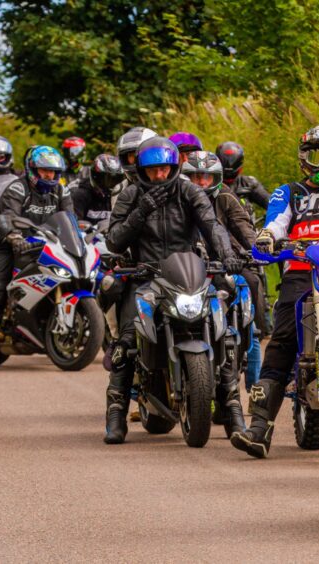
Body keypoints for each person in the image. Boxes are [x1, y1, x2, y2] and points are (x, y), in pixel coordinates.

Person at [230, 125, 319, 459]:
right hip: (302, 272)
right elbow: (276, 221)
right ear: (302, 158)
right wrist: (267, 237)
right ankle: (259, 428)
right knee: (282, 339)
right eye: (315, 156)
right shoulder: (288, 192)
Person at [102, 136, 242, 444]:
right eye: (152, 171)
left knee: (224, 331)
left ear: (173, 167)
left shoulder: (188, 191)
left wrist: (227, 255)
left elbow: (211, 224)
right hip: (146, 275)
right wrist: (141, 211)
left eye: (164, 169)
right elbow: (113, 240)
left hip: (189, 272)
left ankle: (233, 410)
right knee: (127, 340)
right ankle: (115, 415)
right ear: (141, 170)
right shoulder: (130, 195)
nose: (159, 176)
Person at [182, 150, 257, 432]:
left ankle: (245, 348)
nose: (201, 183)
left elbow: (242, 227)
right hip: (186, 270)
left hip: (222, 266)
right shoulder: (176, 199)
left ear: (217, 178)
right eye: (194, 177)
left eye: (207, 177)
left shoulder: (225, 197)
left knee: (248, 287)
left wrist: (256, 249)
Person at [0, 145, 74, 352]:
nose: (49, 175)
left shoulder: (61, 190)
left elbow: (70, 218)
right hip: (4, 244)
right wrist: (13, 235)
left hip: (43, 244)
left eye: (54, 171)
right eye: (44, 170)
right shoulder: (18, 188)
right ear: (32, 169)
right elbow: (7, 216)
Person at [215, 141, 271, 223]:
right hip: (216, 232)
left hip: (248, 232)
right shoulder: (208, 183)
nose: (229, 165)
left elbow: (272, 203)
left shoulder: (249, 183)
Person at [69, 153, 123, 225]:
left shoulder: (120, 197)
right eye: (107, 179)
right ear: (95, 176)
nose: (110, 185)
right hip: (87, 235)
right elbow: (74, 224)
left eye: (114, 180)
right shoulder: (80, 196)